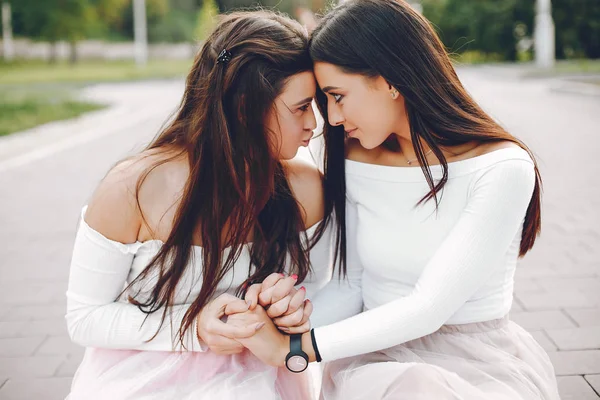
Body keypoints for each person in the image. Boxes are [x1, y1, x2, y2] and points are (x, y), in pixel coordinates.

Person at [227, 1, 561, 398]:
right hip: (375, 360)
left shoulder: (502, 167)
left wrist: (293, 350)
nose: (331, 118)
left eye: (338, 96)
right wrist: (274, 320)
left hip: (473, 362)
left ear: (389, 81)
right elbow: (352, 287)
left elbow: (429, 307)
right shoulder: (354, 157)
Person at [65, 10, 333, 400]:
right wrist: (195, 327)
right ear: (245, 109)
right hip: (149, 367)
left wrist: (291, 307)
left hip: (260, 370)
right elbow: (84, 318)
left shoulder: (304, 187)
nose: (314, 123)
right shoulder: (132, 189)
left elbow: (323, 291)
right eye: (301, 107)